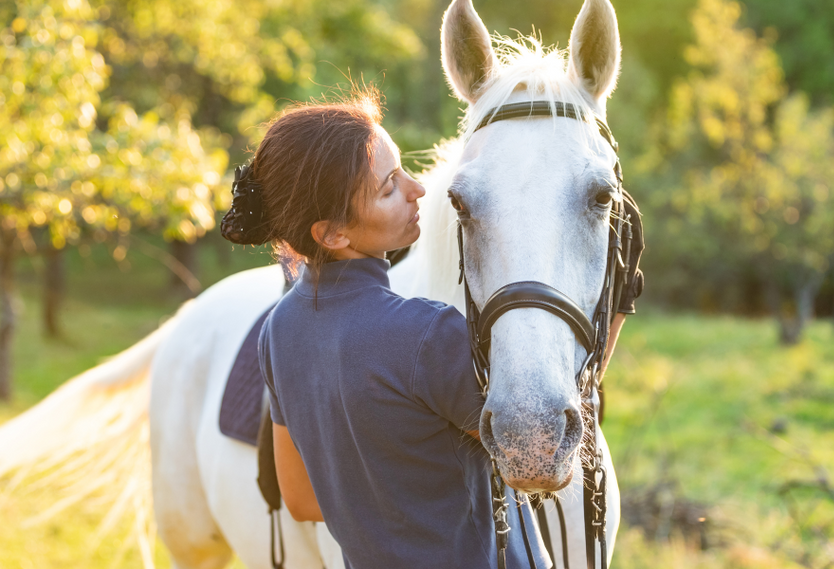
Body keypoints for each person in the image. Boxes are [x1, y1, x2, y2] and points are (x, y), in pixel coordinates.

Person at [220, 89, 633, 569]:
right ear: (333, 233)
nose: (418, 189)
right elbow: (539, 449)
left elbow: (302, 500)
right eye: (389, 187)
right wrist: (617, 307)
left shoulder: (277, 331)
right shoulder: (427, 337)